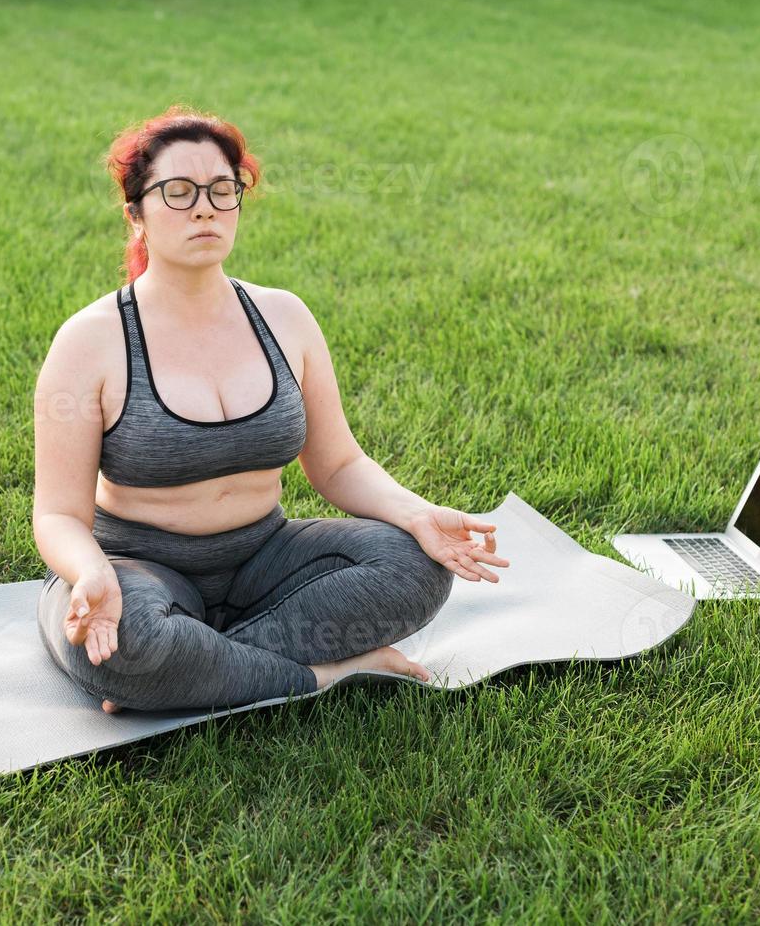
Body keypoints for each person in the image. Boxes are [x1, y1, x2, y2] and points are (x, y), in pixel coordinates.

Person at [32, 105, 509, 714]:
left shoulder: (284, 318)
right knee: (121, 644)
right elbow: (58, 515)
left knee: (416, 565)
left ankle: (195, 668)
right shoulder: (90, 341)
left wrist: (417, 514)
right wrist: (90, 572)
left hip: (265, 561)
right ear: (137, 215)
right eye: (176, 192)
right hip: (136, 568)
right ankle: (328, 674)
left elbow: (336, 465)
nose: (204, 206)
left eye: (221, 189)